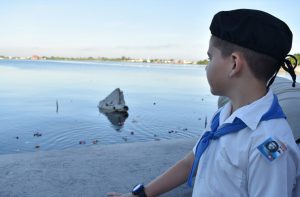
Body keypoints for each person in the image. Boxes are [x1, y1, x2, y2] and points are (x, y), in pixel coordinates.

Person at [107, 9, 300, 197]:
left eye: (210, 58)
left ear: (234, 63)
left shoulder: (269, 143)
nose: (206, 66)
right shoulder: (225, 114)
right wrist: (141, 194)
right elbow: (192, 162)